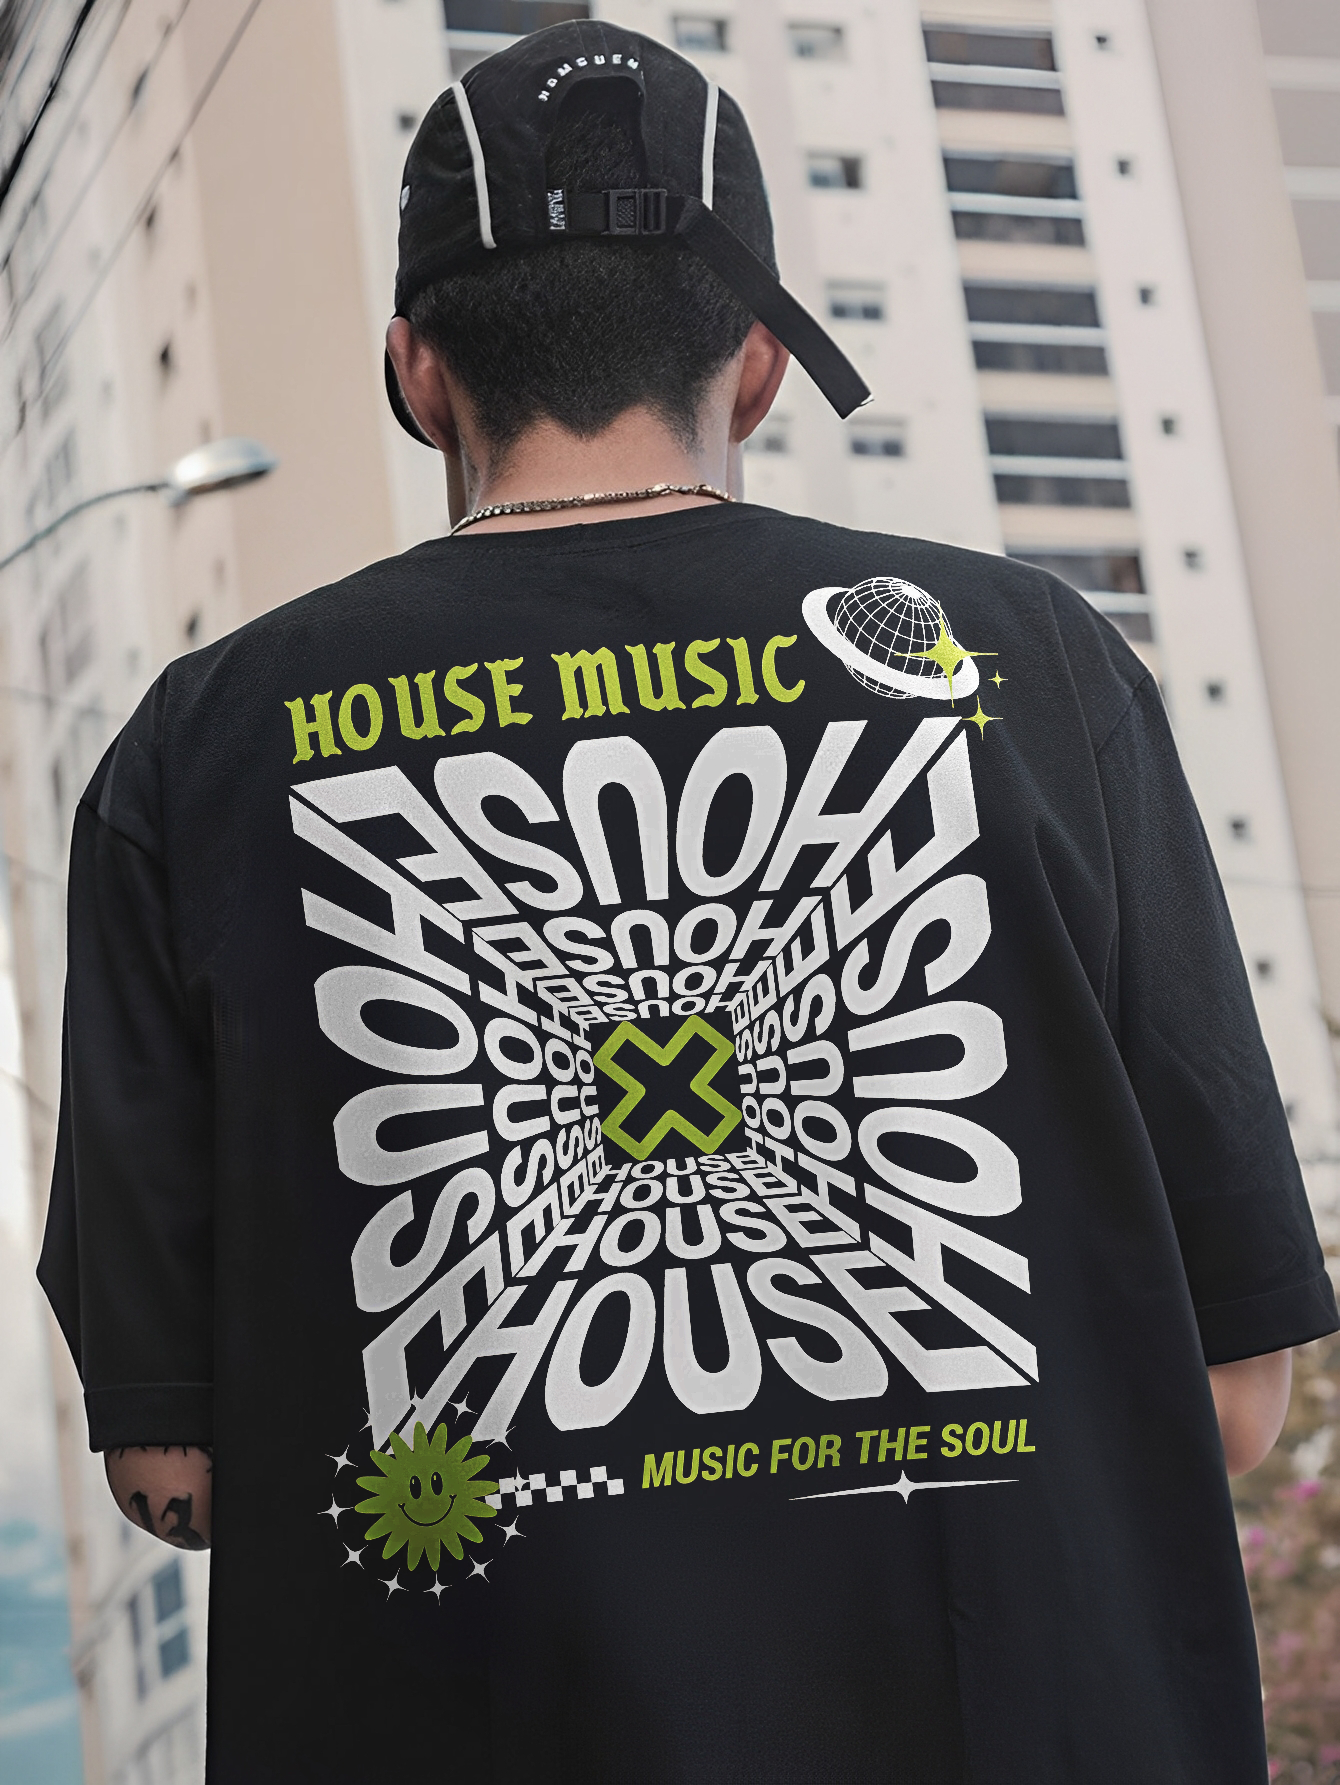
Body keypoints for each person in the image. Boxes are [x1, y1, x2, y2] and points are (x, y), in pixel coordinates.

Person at [39, 19, 1336, 1784]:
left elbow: (174, 1471)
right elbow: (1235, 1396)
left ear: (418, 370)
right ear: (760, 360)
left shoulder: (197, 752)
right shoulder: (1031, 665)